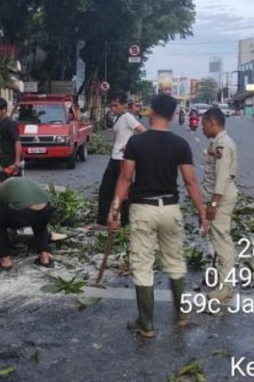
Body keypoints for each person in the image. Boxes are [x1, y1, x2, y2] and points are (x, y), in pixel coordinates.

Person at [108, 94, 208, 338]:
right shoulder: (180, 144)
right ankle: (181, 316)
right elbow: (190, 182)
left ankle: (147, 324)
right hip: (170, 209)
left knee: (143, 265)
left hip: (143, 209)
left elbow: (125, 178)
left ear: (151, 111)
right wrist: (203, 213)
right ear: (174, 115)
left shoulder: (137, 143)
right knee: (174, 261)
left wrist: (115, 209)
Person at [0, 173, 57, 270]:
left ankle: (5, 260)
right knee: (40, 225)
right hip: (47, 210)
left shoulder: (1, 188)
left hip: (24, 213)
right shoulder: (23, 181)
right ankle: (44, 256)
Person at [201, 107, 238, 303]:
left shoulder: (222, 145)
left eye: (203, 125)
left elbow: (222, 177)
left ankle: (226, 288)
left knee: (223, 242)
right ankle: (223, 281)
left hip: (221, 198)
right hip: (220, 196)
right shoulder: (218, 143)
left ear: (212, 123)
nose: (202, 129)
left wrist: (213, 204)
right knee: (220, 239)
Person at [97, 92, 146, 226]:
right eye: (112, 106)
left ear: (124, 105)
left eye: (116, 106)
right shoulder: (117, 118)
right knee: (107, 189)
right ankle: (103, 220)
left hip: (122, 160)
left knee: (122, 191)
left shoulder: (128, 117)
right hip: (114, 157)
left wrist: (130, 146)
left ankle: (125, 221)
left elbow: (144, 133)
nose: (113, 108)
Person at [0, 97, 23, 178]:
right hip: (2, 163)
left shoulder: (10, 124)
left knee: (13, 186)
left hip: (12, 164)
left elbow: (17, 141)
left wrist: (17, 161)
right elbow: (1, 140)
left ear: (4, 110)